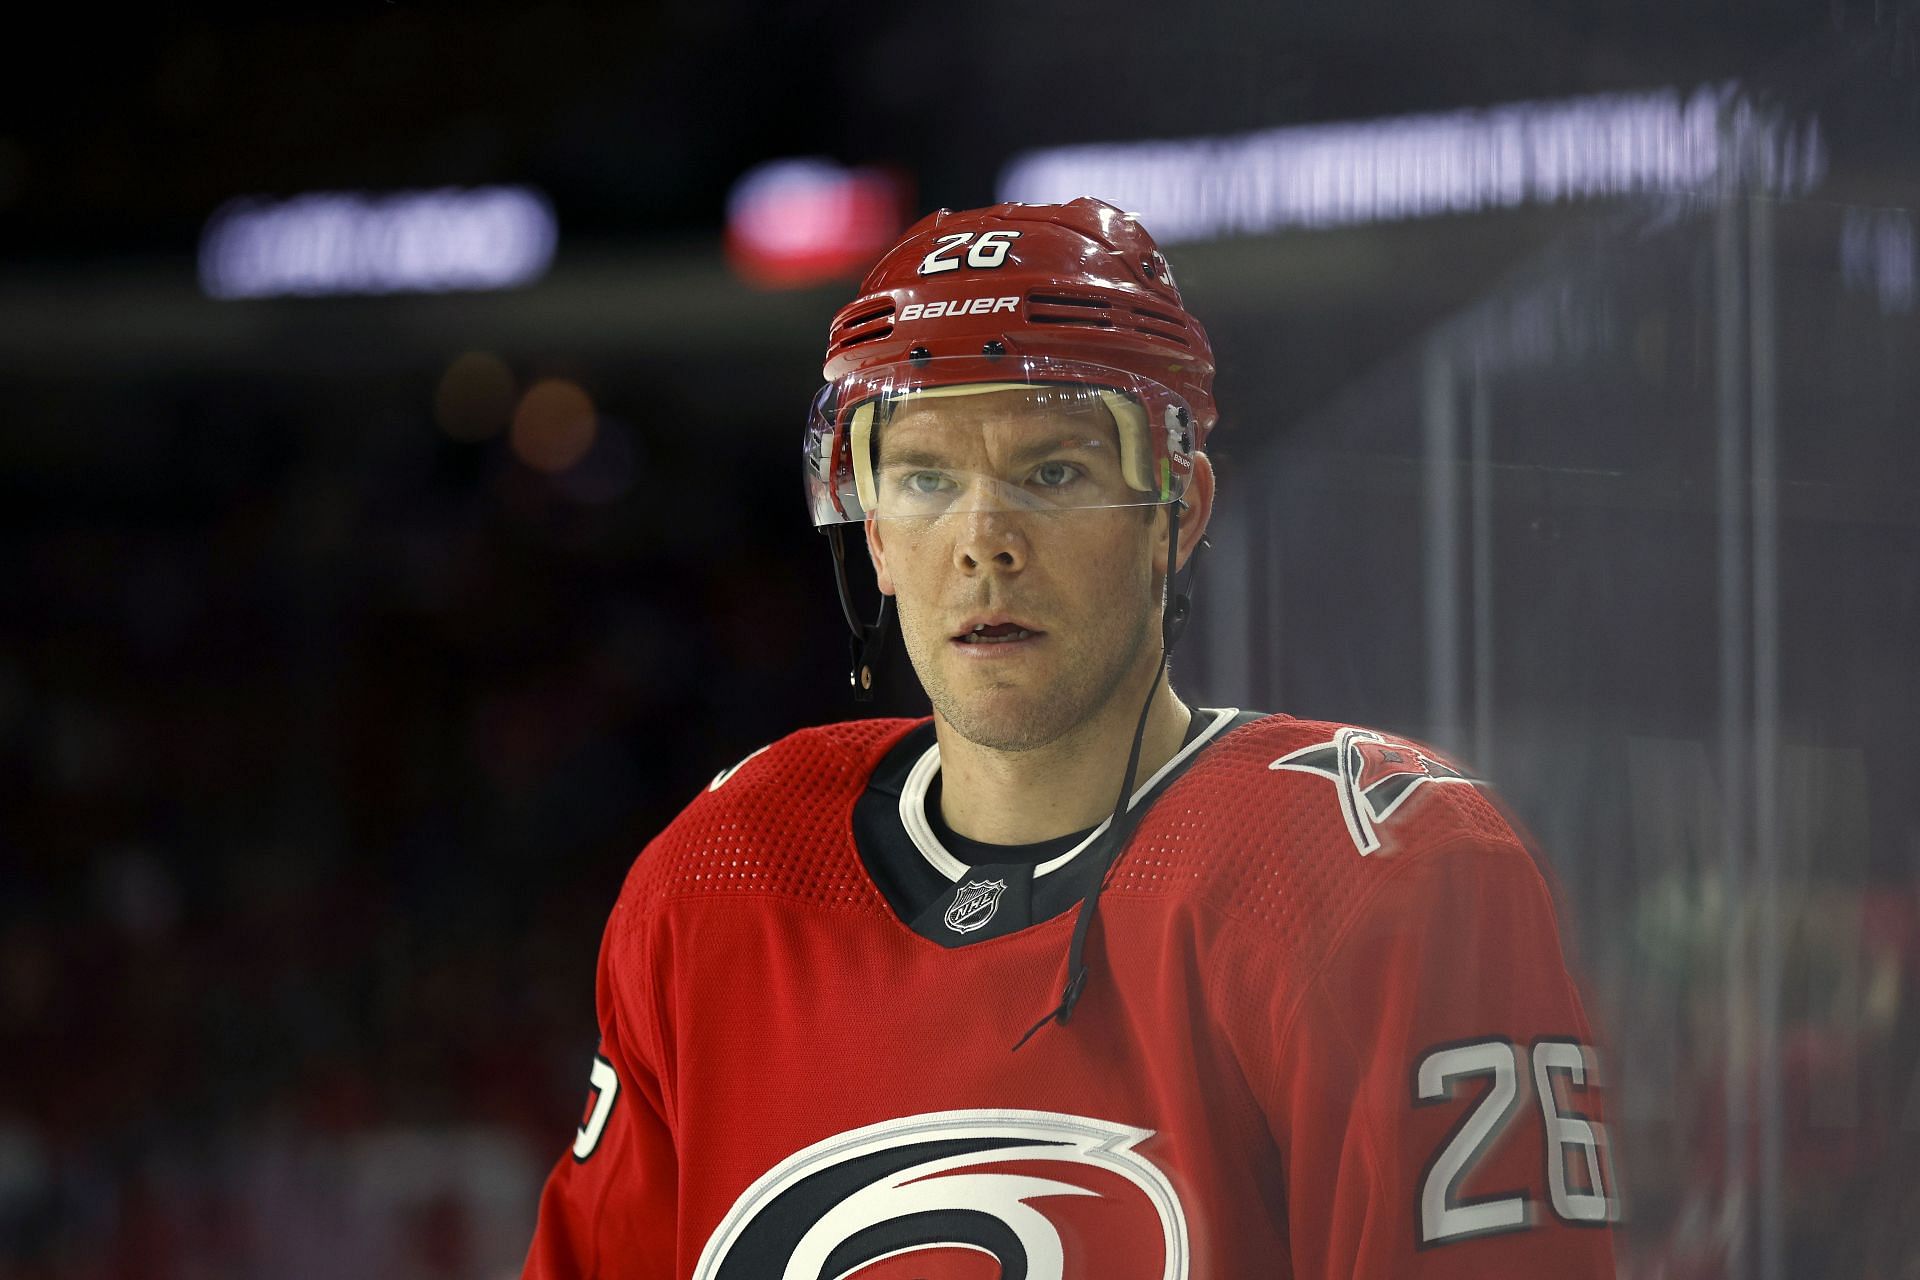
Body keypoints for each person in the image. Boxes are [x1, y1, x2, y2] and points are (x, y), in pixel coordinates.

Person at [522, 197, 1618, 1278]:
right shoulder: (715, 879)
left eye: (1053, 472)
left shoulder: (1381, 869)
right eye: (925, 477)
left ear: (1176, 513)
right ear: (877, 535)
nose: (984, 541)